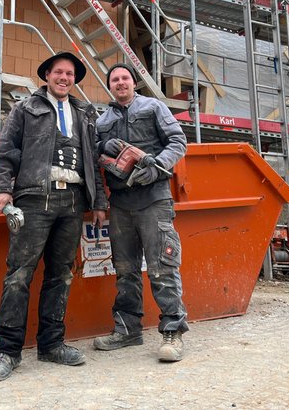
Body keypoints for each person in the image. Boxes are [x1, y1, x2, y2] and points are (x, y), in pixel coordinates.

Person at [0, 52, 107, 381]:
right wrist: (1, 189)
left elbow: (93, 162)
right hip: (34, 199)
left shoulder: (85, 112)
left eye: (69, 73)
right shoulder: (26, 108)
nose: (64, 77)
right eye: (58, 72)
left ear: (74, 79)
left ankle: (51, 345)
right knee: (19, 275)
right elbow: (6, 150)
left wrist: (98, 202)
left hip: (72, 201)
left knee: (61, 275)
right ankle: (8, 351)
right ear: (48, 75)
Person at [93, 63, 189, 362]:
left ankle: (172, 332)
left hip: (154, 199)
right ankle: (127, 330)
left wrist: (157, 166)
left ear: (134, 82)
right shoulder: (102, 120)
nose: (120, 83)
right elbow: (95, 156)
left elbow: (178, 141)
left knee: (162, 267)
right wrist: (101, 145)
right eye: (115, 79)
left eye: (125, 78)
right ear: (110, 85)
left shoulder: (154, 107)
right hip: (121, 203)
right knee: (125, 271)